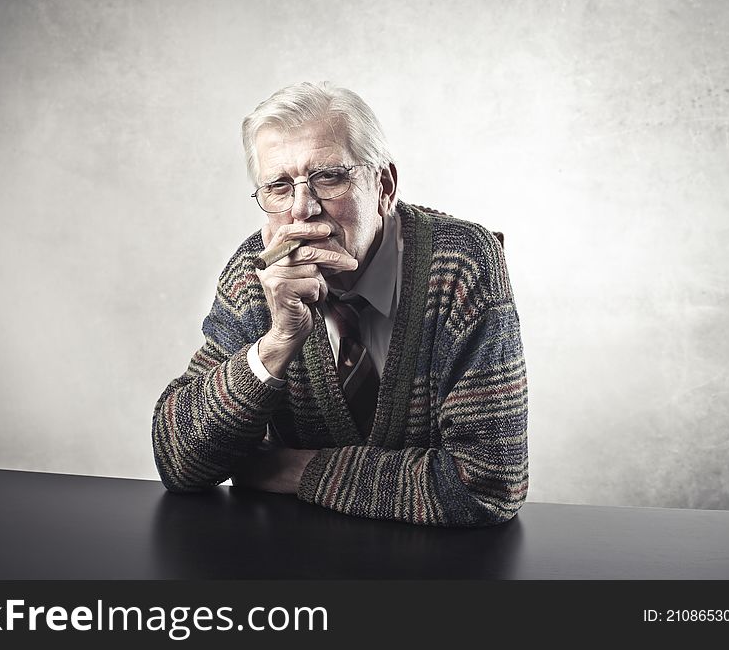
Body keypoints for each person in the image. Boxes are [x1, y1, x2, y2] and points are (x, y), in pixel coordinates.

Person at [152, 82, 528, 527]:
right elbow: (179, 462)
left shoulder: (463, 264)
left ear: (384, 185)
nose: (302, 209)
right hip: (297, 569)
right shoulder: (254, 276)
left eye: (328, 177)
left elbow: (487, 487)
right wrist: (278, 343)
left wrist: (296, 470)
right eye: (277, 186)